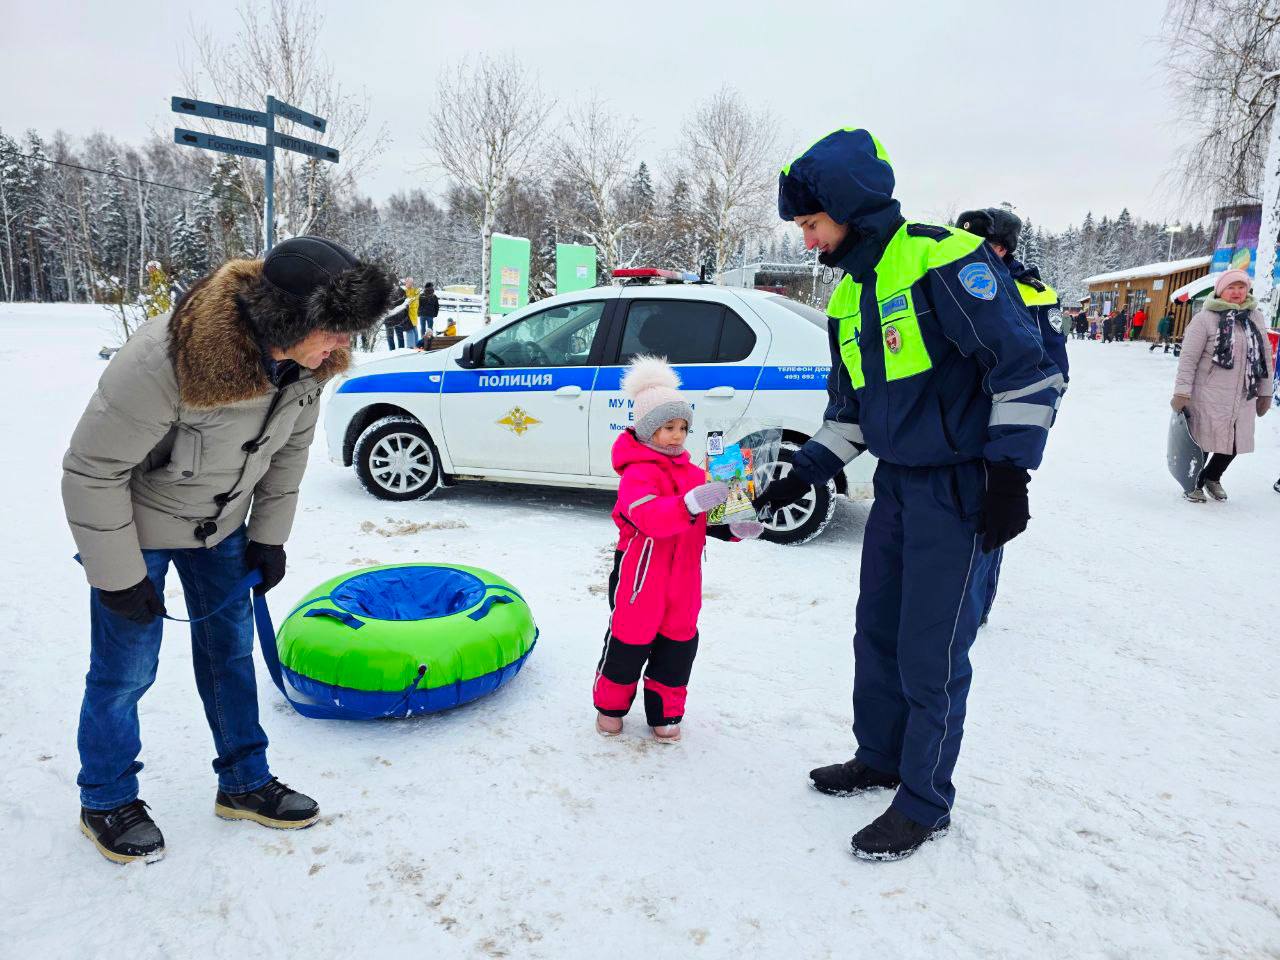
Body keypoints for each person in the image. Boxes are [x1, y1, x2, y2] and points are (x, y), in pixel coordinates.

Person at [758, 129, 1062, 861]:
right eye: (801, 227)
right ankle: (882, 757)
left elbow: (1024, 370)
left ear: (847, 211)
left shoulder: (943, 260)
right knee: (880, 635)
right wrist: (801, 475)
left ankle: (925, 800)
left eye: (810, 224)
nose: (807, 241)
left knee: (932, 652)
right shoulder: (849, 298)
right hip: (895, 488)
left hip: (959, 490)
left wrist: (1010, 473)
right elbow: (852, 416)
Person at [62, 237, 400, 864]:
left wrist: (269, 536)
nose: (342, 348)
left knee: (230, 658)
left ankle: (243, 782)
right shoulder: (167, 359)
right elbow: (91, 471)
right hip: (135, 529)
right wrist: (117, 576)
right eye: (333, 331)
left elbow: (288, 453)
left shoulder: (309, 365)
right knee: (125, 671)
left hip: (221, 528)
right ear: (289, 320)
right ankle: (105, 798)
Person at [592, 357, 762, 743]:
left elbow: (709, 518)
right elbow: (647, 516)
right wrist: (689, 504)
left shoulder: (694, 470)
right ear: (648, 428)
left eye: (683, 427)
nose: (676, 435)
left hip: (684, 577)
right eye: (668, 427)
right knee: (629, 639)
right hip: (640, 574)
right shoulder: (636, 472)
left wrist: (737, 523)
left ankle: (666, 713)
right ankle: (610, 706)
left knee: (678, 642)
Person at [955, 207, 1069, 626]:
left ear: (1002, 249)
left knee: (991, 520)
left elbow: (1054, 370)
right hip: (957, 422)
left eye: (982, 247)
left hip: (1004, 424)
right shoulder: (954, 281)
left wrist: (1022, 437)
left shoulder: (1033, 292)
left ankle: (977, 609)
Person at [1171, 269, 1273, 503]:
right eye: (1231, 287)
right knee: (1205, 439)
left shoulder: (1255, 317)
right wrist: (1182, 391)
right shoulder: (1205, 318)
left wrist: (1265, 392)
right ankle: (1193, 482)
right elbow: (1189, 358)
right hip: (1209, 393)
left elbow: (1265, 356)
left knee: (1236, 442)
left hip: (1245, 393)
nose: (1237, 292)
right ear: (1220, 291)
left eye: (1241, 287)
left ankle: (1212, 477)